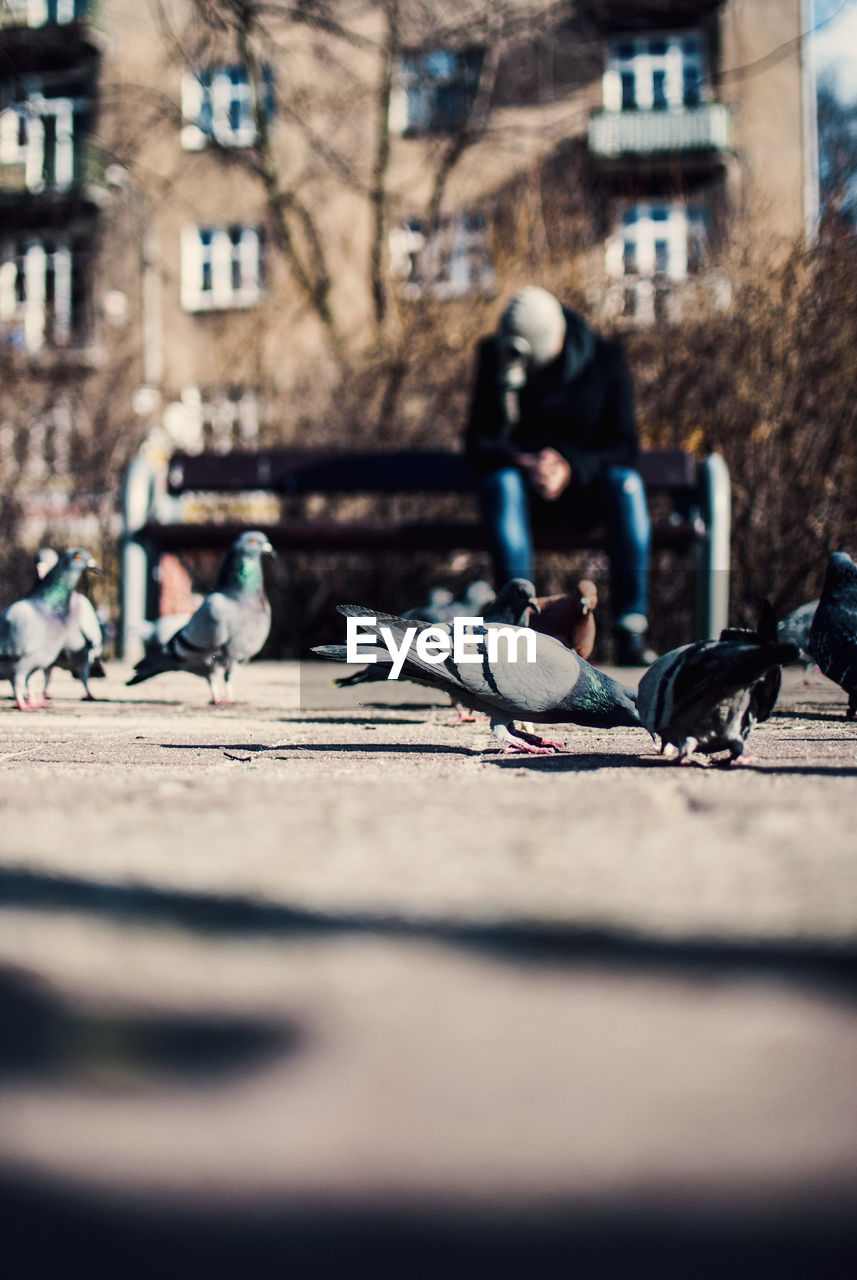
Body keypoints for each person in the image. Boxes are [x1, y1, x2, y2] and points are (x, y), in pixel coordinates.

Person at [465, 285, 656, 666]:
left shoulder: (604, 359)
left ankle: (630, 629)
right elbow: (478, 443)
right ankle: (515, 626)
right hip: (522, 498)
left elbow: (624, 446)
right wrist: (524, 461)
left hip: (586, 495)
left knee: (628, 486)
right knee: (502, 483)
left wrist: (569, 467)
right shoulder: (496, 354)